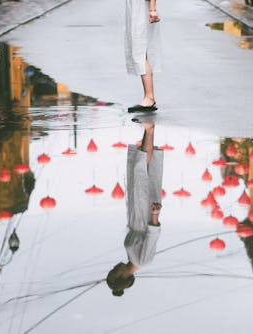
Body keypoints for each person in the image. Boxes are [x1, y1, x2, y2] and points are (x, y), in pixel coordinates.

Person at [106, 120, 164, 296]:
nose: (114, 267)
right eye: (114, 271)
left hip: (135, 214)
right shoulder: (142, 261)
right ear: (122, 276)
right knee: (143, 172)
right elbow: (152, 237)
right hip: (144, 215)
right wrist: (155, 215)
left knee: (140, 172)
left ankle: (148, 130)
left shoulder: (133, 258)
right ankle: (149, 130)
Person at [125, 0, 162, 113]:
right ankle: (148, 97)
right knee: (139, 50)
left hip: (141, 9)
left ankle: (149, 98)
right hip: (136, 8)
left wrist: (152, 9)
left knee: (140, 50)